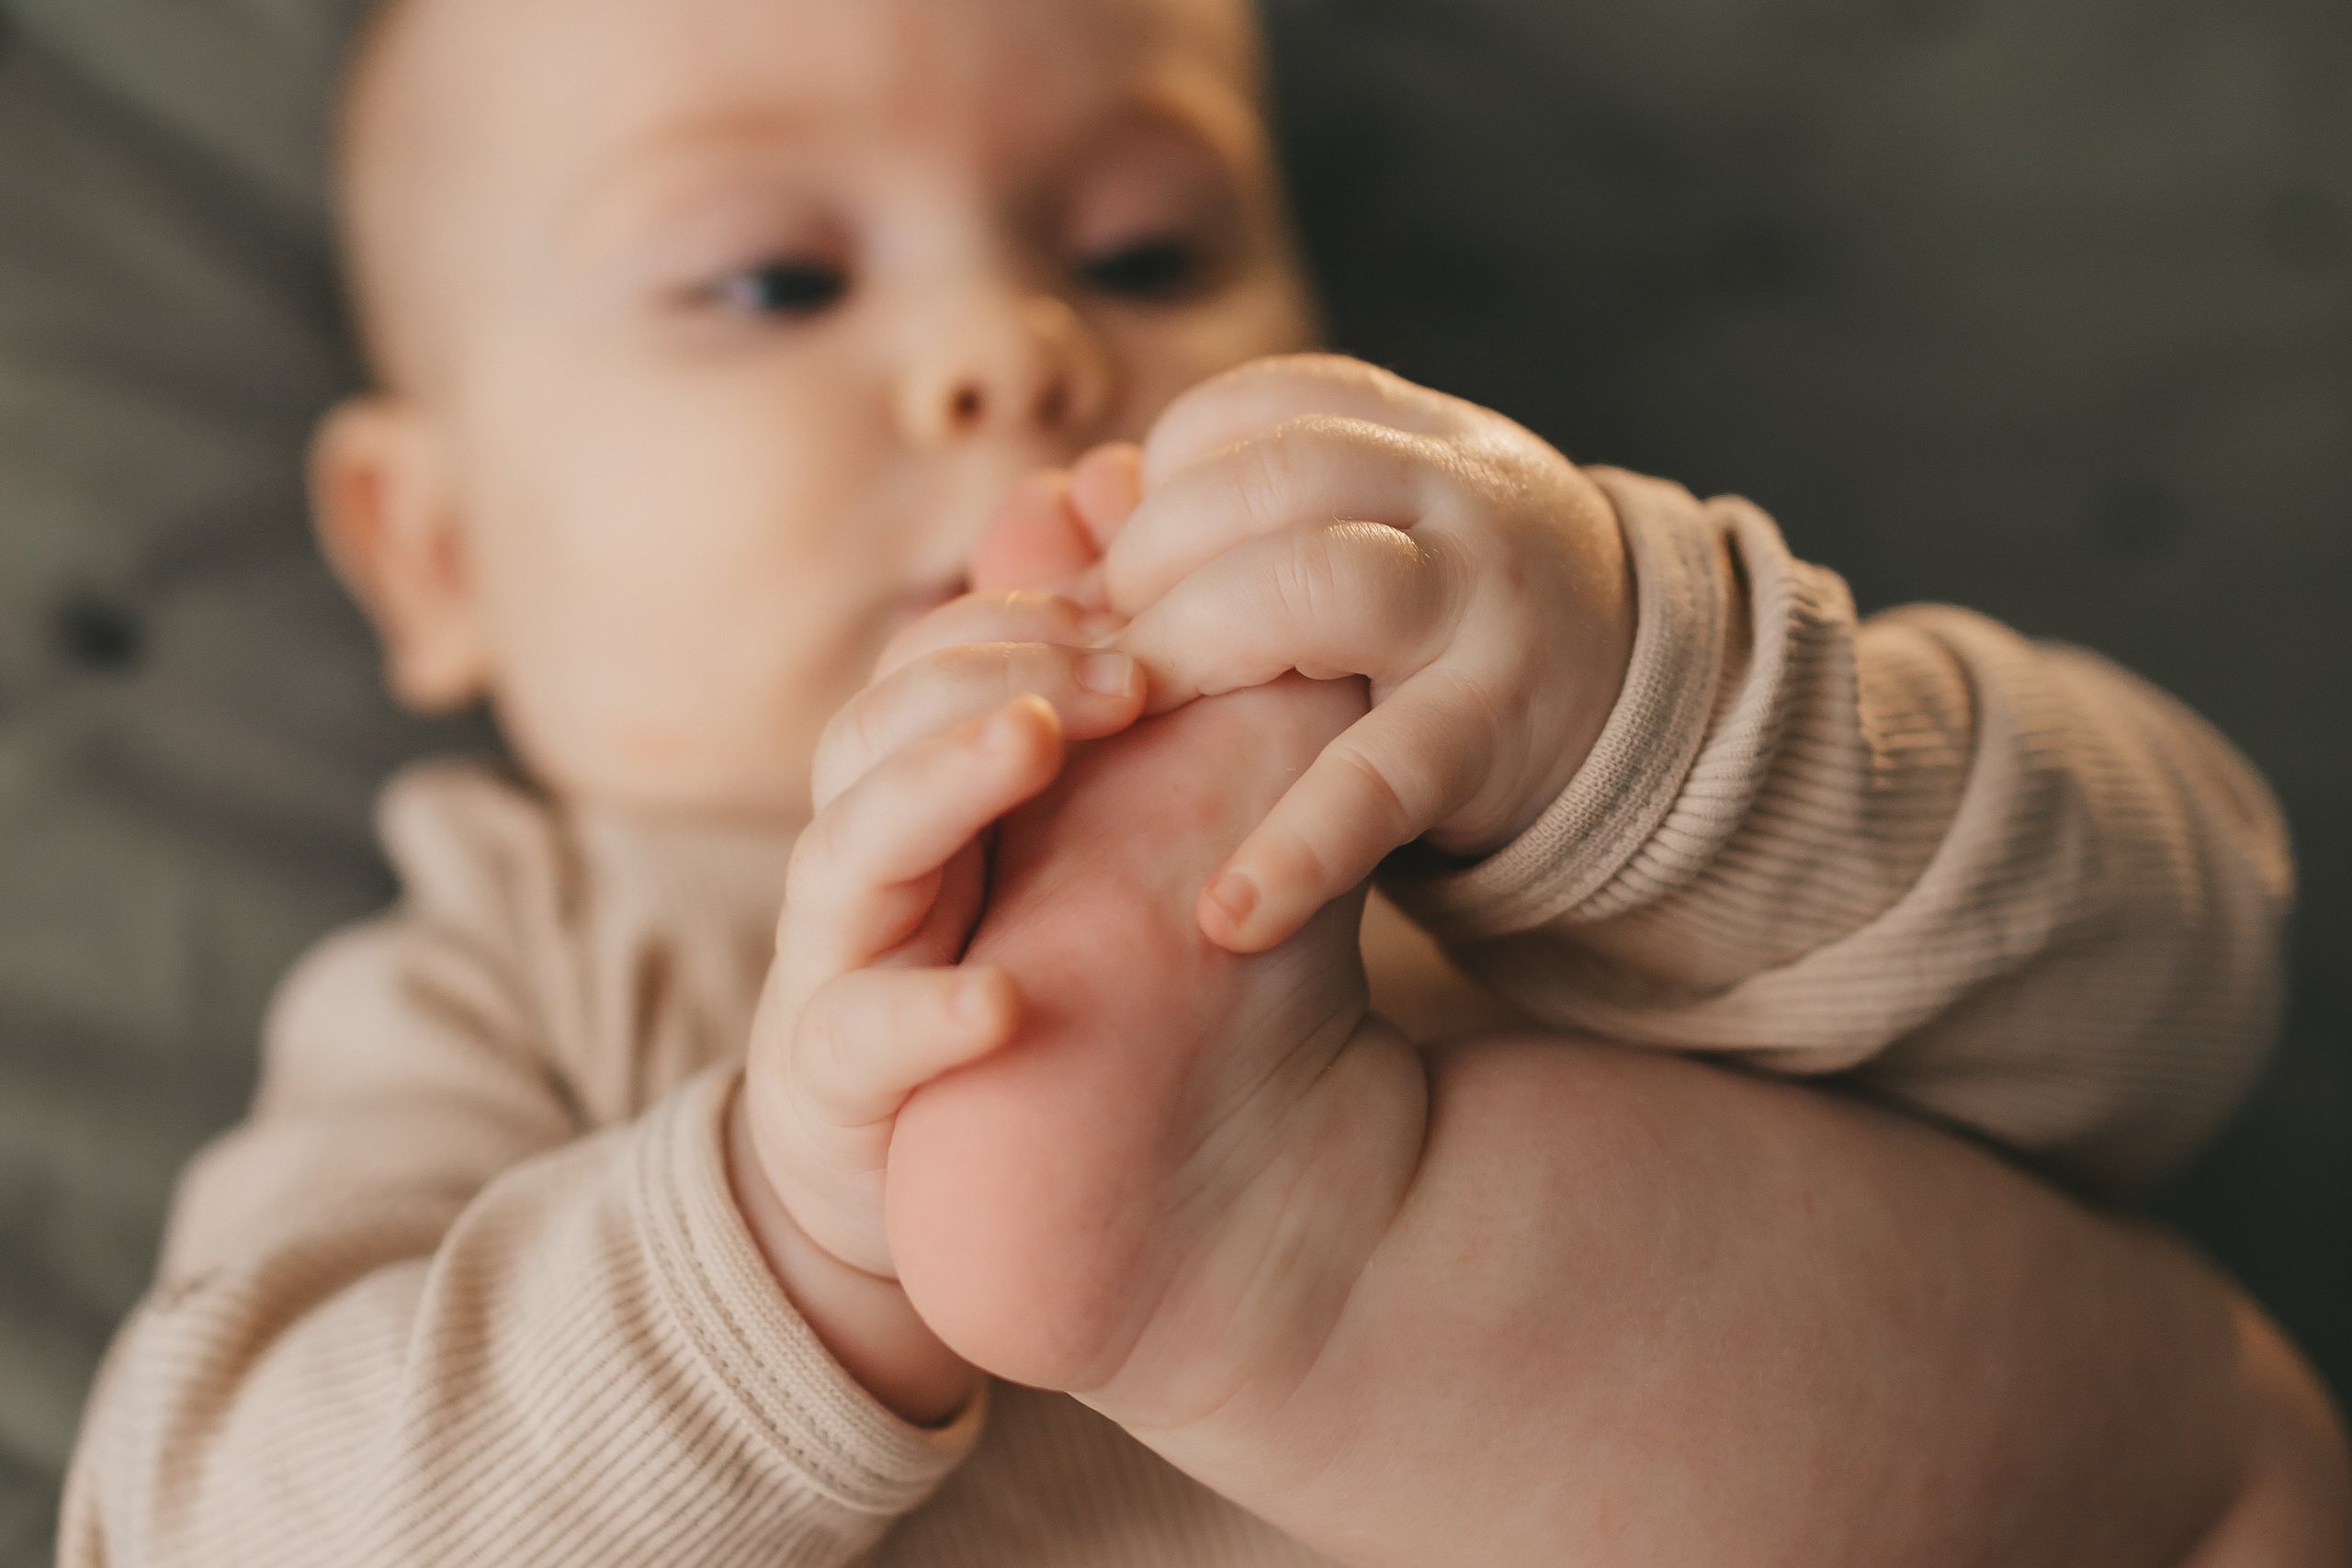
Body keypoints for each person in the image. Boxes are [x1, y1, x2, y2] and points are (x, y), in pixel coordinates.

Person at [55, 0, 2347, 1561]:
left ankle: (1295, 1236)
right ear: (428, 543)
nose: (1014, 348)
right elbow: (203, 1519)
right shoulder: (513, 967)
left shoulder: (1482, 733)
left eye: (1145, 245)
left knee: (2201, 1411)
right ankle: (1260, 1235)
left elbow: (2178, 986)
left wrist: (1648, 710)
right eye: (765, 281)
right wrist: (762, 1245)